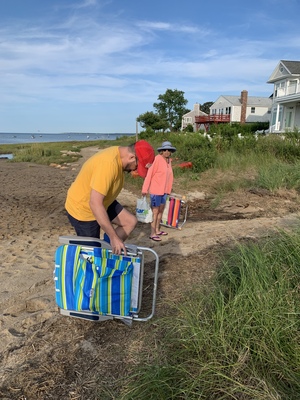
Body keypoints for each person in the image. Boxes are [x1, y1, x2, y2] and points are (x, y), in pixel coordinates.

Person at [65, 141, 155, 255]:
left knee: (130, 222)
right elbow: (95, 203)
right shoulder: (108, 164)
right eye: (137, 166)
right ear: (132, 157)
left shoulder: (119, 155)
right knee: (93, 254)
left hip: (104, 201)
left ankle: (107, 250)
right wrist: (113, 236)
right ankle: (98, 253)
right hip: (83, 208)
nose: (136, 170)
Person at [142, 141, 176, 242]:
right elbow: (150, 174)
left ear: (171, 152)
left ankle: (157, 230)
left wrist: (169, 190)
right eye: (164, 150)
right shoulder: (157, 159)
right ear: (161, 151)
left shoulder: (169, 161)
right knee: (155, 212)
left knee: (161, 211)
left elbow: (169, 177)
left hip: (164, 191)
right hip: (156, 191)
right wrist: (145, 189)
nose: (166, 152)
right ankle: (152, 233)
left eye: (168, 150)